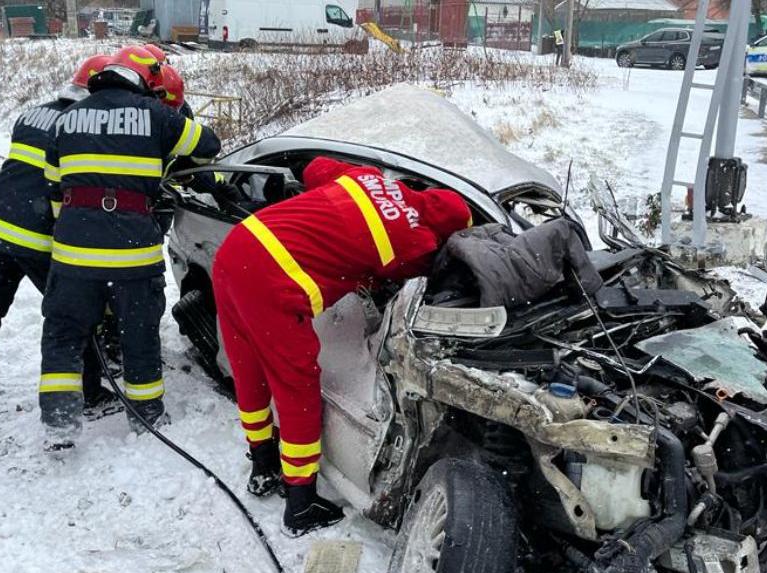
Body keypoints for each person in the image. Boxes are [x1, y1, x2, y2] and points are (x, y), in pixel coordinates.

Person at [210, 156, 472, 536]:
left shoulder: (370, 179)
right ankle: (300, 505)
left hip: (238, 249)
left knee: (249, 368)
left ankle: (262, 464)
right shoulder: (413, 242)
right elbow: (421, 277)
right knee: (296, 383)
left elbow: (315, 166)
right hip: (274, 281)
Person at [39, 53, 221, 449]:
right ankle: (147, 416)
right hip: (132, 254)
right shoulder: (156, 115)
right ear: (142, 83)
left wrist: (74, 232)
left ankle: (59, 423)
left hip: (73, 254)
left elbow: (55, 189)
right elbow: (208, 144)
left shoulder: (65, 119)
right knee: (138, 335)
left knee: (64, 334)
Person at [0, 54, 116, 420]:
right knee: (74, 313)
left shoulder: (33, 112)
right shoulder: (84, 127)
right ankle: (90, 392)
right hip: (38, 236)